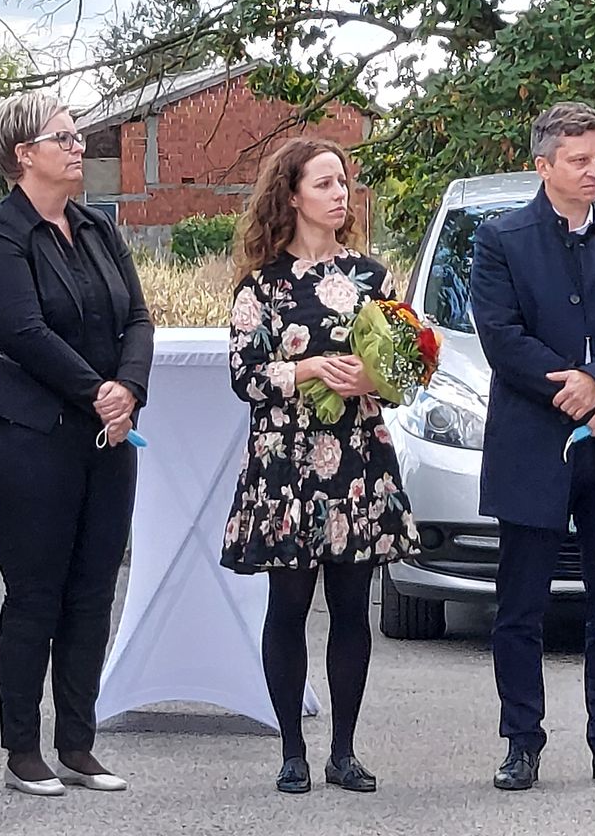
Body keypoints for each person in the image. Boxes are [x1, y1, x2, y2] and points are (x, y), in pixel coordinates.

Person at [470, 101, 595, 791]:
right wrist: (575, 390)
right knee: (520, 608)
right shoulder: (501, 239)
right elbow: (502, 336)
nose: (594, 171)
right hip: (533, 443)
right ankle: (521, 742)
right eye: (580, 160)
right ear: (544, 165)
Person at [220, 137, 420, 795]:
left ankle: (343, 751)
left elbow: (408, 369)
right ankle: (291, 750)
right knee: (288, 605)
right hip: (286, 464)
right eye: (325, 183)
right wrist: (306, 368)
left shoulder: (373, 277)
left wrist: (373, 377)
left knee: (352, 608)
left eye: (343, 182)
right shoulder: (260, 286)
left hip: (357, 461)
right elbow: (245, 377)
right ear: (292, 195)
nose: (340, 194)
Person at [0, 92, 154, 796]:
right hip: (29, 438)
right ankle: (23, 750)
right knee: (36, 594)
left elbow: (138, 318)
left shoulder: (97, 226)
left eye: (77, 136)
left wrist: (129, 389)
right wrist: (97, 390)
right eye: (64, 137)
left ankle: (78, 744)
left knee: (93, 590)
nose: (79, 146)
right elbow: (25, 331)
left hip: (107, 436)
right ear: (24, 153)